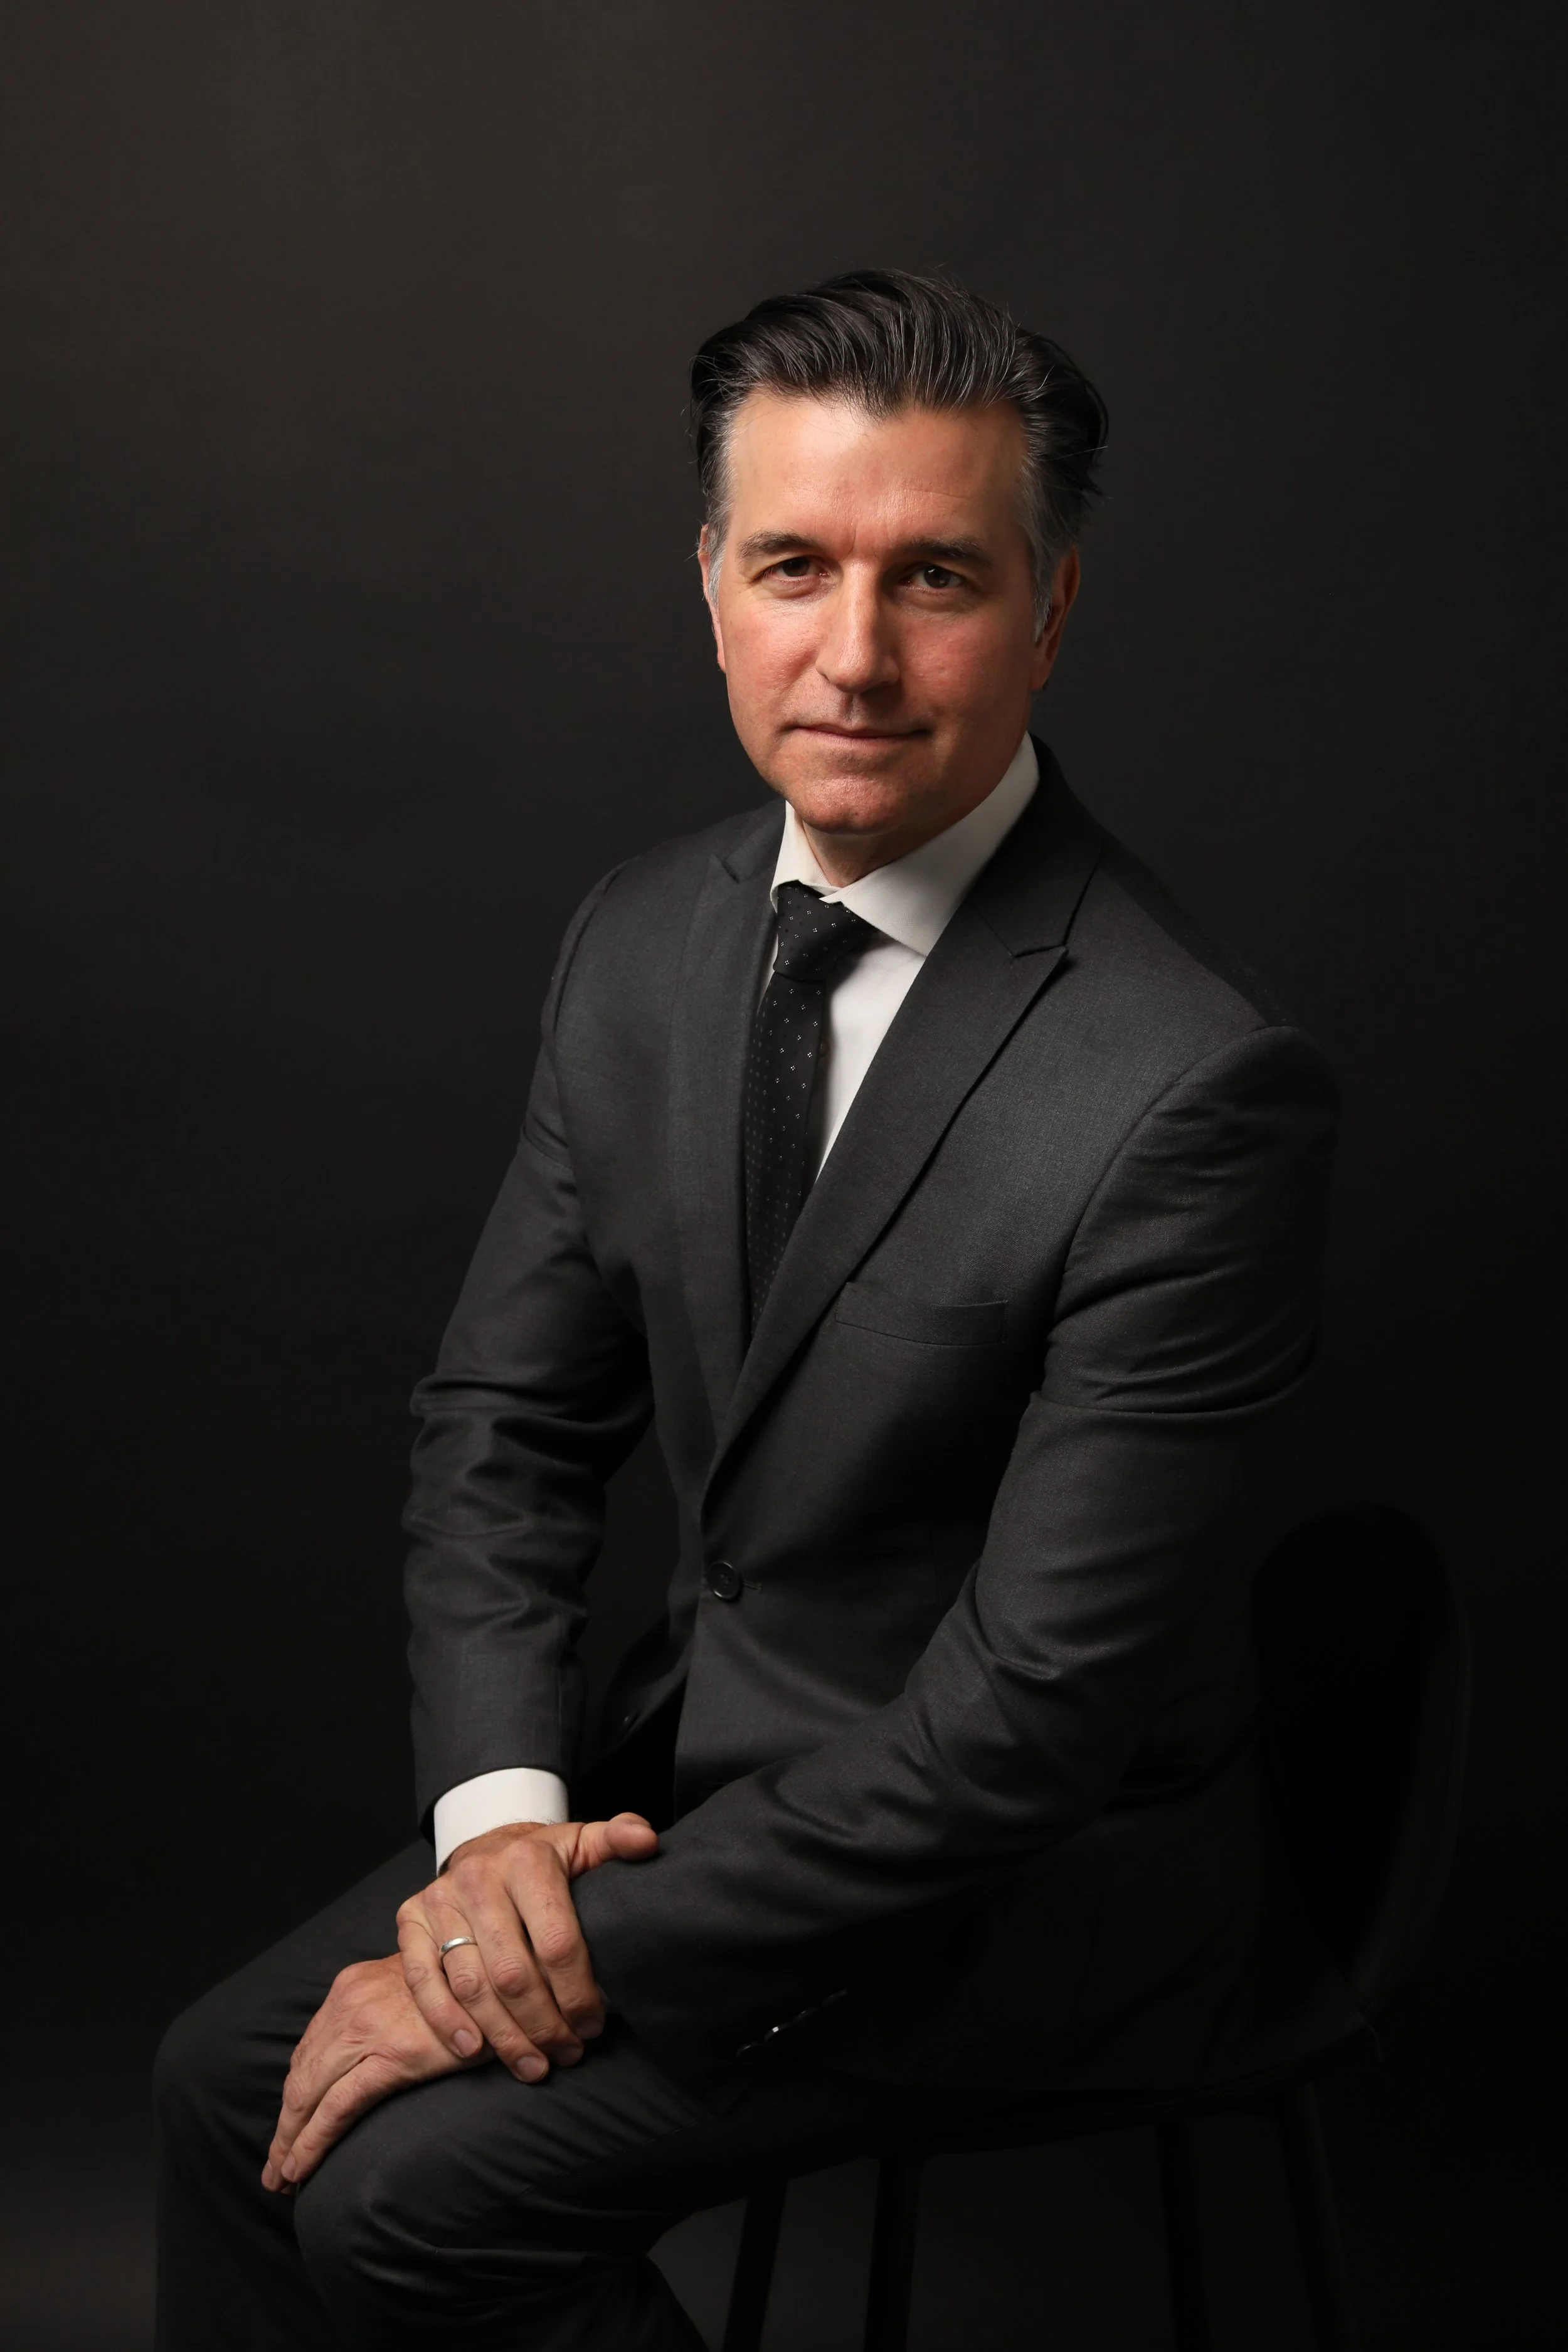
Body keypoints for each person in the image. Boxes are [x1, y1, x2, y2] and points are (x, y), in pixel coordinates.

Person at [154, 269, 1352, 2349]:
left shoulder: (1194, 1084)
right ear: (710, 583)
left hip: (1024, 1890)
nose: (853, 654)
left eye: (936, 577)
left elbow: (1028, 1718)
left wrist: (580, 1954)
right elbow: (503, 1426)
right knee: (211, 2092)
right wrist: (501, 1843)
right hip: (685, 1797)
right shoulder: (640, 938)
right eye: (794, 565)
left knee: (415, 2203)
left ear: (1049, 610)